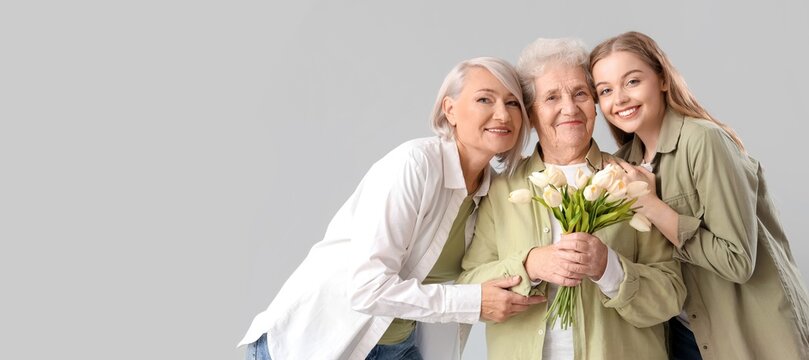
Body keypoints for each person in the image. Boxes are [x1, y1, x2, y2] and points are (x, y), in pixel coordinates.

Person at [238, 57, 545, 360]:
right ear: (449, 110)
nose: (502, 114)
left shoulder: (494, 193)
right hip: (316, 342)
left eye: (513, 103)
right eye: (484, 99)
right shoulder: (415, 165)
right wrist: (473, 301)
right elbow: (368, 288)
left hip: (396, 347)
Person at [456, 38, 686, 359]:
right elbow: (468, 287)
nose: (570, 107)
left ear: (594, 104)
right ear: (531, 115)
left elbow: (671, 295)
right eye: (551, 97)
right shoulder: (502, 189)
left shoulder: (632, 181)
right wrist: (530, 264)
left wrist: (609, 268)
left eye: (580, 93)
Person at [589, 31, 809, 360]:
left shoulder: (705, 142)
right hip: (683, 335)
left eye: (632, 81)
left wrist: (651, 205)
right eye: (605, 90)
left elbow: (737, 262)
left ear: (662, 79)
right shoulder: (625, 163)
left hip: (749, 338)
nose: (618, 99)